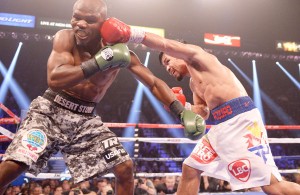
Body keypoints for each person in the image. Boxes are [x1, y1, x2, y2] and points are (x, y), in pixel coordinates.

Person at [0, 0, 205, 195]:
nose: (79, 24)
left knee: (125, 168)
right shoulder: (65, 37)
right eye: (76, 17)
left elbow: (153, 82)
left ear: (103, 23)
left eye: (88, 20)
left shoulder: (122, 52)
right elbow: (55, 78)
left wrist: (180, 112)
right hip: (50, 110)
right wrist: (99, 62)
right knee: (14, 165)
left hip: (85, 120)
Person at [100, 17, 300, 194]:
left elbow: (164, 43)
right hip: (221, 127)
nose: (168, 68)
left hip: (241, 123)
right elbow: (203, 113)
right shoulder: (193, 83)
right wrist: (183, 107)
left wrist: (131, 33)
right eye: (165, 66)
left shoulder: (198, 55)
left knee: (274, 187)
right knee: (190, 168)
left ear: (179, 52)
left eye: (168, 61)